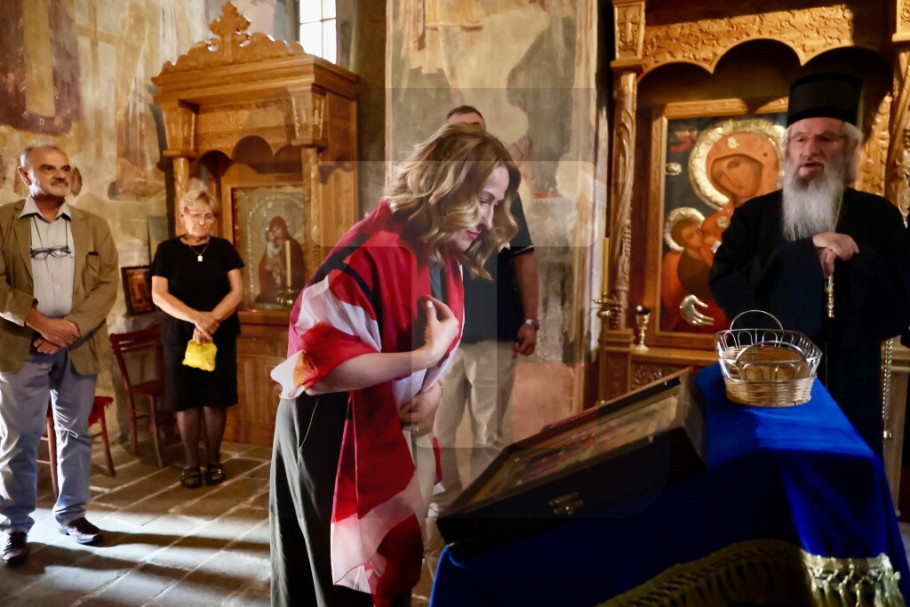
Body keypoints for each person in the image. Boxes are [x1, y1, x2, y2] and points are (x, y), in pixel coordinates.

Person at [268, 122, 520, 607]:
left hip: (380, 423)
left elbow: (425, 353)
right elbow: (315, 369)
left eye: (495, 205)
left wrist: (433, 391)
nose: (489, 220)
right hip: (331, 431)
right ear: (446, 183)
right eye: (483, 200)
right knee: (339, 585)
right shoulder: (374, 247)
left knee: (383, 575)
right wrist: (421, 358)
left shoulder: (438, 250)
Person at [710, 72, 910, 456]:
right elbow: (726, 285)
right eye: (800, 139)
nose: (810, 149)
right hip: (766, 383)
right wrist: (806, 254)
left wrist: (853, 258)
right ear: (788, 149)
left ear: (849, 148)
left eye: (826, 138)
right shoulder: (754, 216)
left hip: (851, 386)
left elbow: (901, 298)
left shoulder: (878, 215)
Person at [0, 142, 118, 567]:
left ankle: (72, 514)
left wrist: (68, 330)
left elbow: (107, 284)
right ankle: (14, 526)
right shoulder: (3, 222)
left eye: (65, 168)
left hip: (78, 345)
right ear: (24, 175)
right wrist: (40, 324)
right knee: (19, 440)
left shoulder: (93, 225)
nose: (60, 174)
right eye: (48, 168)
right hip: (21, 346)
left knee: (75, 434)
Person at [431, 105, 540, 520]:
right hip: (440, 338)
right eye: (459, 133)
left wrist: (530, 319)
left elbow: (523, 256)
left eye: (477, 131)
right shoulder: (433, 196)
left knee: (488, 434)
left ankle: (481, 514)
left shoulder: (504, 193)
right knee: (436, 433)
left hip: (494, 331)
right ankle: (445, 510)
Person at [150, 182, 244, 489]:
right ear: (182, 216)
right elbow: (159, 295)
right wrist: (196, 319)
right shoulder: (167, 251)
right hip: (180, 335)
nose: (202, 222)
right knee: (187, 399)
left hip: (220, 333)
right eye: (195, 215)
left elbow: (237, 291)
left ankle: (214, 460)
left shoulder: (224, 248)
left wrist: (211, 320)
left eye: (208, 216)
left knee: (215, 399)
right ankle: (191, 463)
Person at [256, 215, 305, 303]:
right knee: (262, 299)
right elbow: (263, 267)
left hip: (291, 286)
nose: (277, 232)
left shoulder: (294, 245)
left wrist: (284, 272)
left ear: (284, 228)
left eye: (278, 228)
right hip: (275, 287)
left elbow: (299, 269)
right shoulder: (272, 245)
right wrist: (268, 267)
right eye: (274, 230)